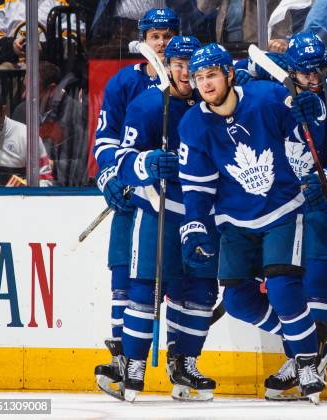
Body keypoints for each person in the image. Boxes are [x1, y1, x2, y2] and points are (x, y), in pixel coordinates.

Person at [178, 43, 326, 403]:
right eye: (198, 77)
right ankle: (301, 339)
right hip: (234, 220)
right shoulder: (193, 124)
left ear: (229, 73)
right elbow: (197, 186)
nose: (205, 84)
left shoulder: (267, 98)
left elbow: (309, 133)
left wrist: (312, 110)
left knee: (282, 287)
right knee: (239, 300)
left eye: (211, 74)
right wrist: (196, 225)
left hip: (281, 208)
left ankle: (306, 361)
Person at [254, 33, 327, 400]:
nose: (315, 79)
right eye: (306, 73)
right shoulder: (273, 89)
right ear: (291, 70)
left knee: (318, 269)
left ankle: (311, 353)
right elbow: (241, 68)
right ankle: (302, 349)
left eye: (320, 71)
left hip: (320, 197)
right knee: (284, 280)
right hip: (280, 199)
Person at [113, 35, 219, 403]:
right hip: (158, 209)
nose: (187, 71)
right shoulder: (146, 106)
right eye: (179, 64)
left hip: (203, 213)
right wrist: (147, 163)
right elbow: (122, 161)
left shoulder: (212, 106)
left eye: (193, 64)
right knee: (144, 288)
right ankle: (133, 363)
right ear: (168, 64)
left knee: (201, 292)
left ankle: (184, 363)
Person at [92, 7, 179, 400]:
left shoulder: (187, 83)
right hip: (132, 195)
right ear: (143, 39)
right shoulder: (123, 83)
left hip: (170, 202)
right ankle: (120, 357)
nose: (160, 42)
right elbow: (106, 140)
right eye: (154, 35)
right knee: (123, 278)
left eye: (166, 35)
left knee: (166, 282)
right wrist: (111, 176)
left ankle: (179, 358)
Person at [12, 61, 88, 186]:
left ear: (52, 89)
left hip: (63, 192)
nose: (24, 95)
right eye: (25, 87)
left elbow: (85, 166)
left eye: (31, 90)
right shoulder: (21, 112)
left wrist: (53, 165)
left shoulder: (77, 115)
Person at [0, 87, 53, 186]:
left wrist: (25, 188)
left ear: (3, 111)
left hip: (19, 200)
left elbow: (46, 180)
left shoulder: (27, 136)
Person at [0, 0, 81, 64]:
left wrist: (44, 48)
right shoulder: (6, 6)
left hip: (50, 66)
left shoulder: (59, 3)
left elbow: (74, 40)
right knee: (3, 70)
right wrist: (11, 46)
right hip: (14, 70)